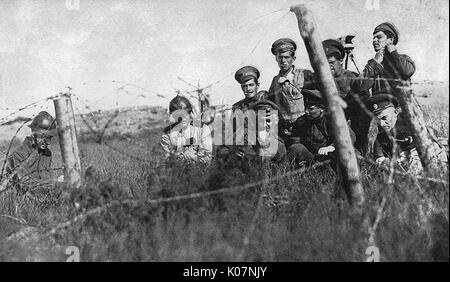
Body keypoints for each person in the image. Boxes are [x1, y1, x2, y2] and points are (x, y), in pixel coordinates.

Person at [366, 94, 446, 174]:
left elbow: (430, 132)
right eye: (378, 120)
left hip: (417, 152)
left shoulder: (408, 122)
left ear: (396, 112)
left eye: (384, 118)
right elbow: (379, 155)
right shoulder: (379, 132)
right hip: (397, 159)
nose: (382, 124)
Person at [322, 38, 371, 153]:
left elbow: (364, 107)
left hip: (354, 121)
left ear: (341, 61)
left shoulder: (352, 78)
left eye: (331, 63)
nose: (328, 67)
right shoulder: (321, 80)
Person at [266, 38, 316, 149]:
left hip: (304, 127)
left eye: (286, 57)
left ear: (293, 58)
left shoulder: (304, 75)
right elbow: (270, 103)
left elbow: (316, 98)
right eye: (280, 57)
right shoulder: (275, 81)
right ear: (276, 59)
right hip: (283, 129)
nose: (283, 61)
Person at [287, 90, 356, 165]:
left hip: (330, 156)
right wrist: (300, 156)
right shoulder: (301, 122)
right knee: (296, 147)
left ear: (322, 109)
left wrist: (332, 147)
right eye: (305, 107)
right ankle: (284, 171)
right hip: (311, 157)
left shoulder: (333, 120)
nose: (306, 111)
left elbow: (350, 136)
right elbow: (295, 140)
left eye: (311, 109)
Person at [351, 22, 416, 96]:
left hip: (400, 106)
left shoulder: (403, 59)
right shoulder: (374, 64)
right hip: (381, 106)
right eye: (374, 38)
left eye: (379, 37)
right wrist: (375, 63)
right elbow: (359, 87)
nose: (374, 40)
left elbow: (406, 71)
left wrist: (393, 53)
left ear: (391, 39)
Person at [5, 111, 57, 193]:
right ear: (33, 133)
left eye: (49, 138)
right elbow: (25, 185)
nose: (48, 142)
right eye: (44, 137)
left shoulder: (47, 154)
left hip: (43, 197)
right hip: (23, 201)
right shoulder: (18, 155)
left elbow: (47, 179)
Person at [160, 96, 213, 164]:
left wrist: (186, 156)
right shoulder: (167, 135)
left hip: (200, 170)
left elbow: (207, 156)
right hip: (178, 171)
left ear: (190, 113)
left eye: (184, 114)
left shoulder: (202, 129)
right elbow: (168, 160)